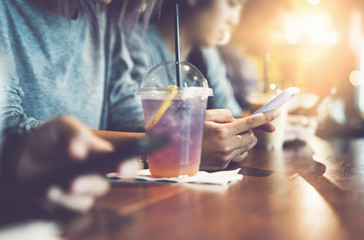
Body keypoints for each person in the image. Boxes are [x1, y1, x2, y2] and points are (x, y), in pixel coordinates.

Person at [0, 0, 279, 172]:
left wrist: (180, 129)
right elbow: (6, 134)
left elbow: (124, 114)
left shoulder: (106, 18)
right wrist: (166, 148)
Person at [128, 0, 244, 117]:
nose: (235, 20)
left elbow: (231, 112)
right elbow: (137, 122)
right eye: (231, 4)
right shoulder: (134, 44)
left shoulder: (207, 54)